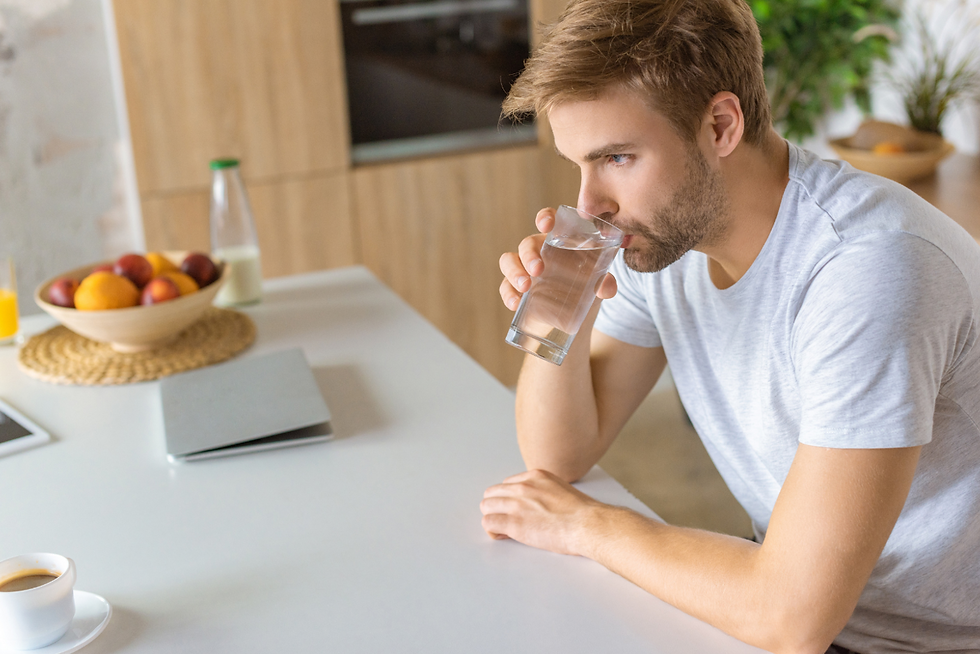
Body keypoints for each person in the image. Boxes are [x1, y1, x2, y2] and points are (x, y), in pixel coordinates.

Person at [478, 1, 980, 652]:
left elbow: (793, 619)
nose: (589, 205)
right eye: (580, 165)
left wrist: (587, 528)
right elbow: (558, 456)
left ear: (720, 125)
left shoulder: (866, 273)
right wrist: (561, 309)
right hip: (813, 603)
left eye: (618, 158)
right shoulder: (662, 236)